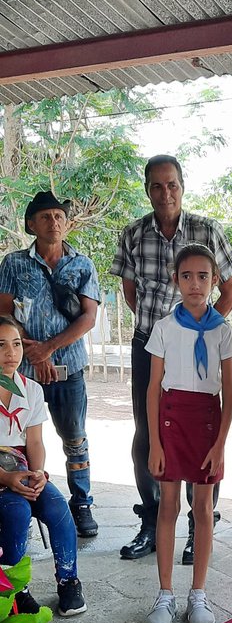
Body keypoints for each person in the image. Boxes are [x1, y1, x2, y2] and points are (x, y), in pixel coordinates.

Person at [111, 156, 232, 562]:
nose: (165, 193)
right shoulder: (133, 233)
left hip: (200, 348)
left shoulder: (207, 230)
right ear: (147, 189)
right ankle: (152, 521)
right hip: (151, 342)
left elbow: (230, 290)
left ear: (182, 187)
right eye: (156, 186)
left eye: (172, 185)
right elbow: (131, 293)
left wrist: (199, 332)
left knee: (202, 430)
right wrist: (167, 335)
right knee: (148, 433)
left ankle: (199, 522)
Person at [144, 245, 232, 623]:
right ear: (175, 281)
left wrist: (220, 444)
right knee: (167, 506)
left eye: (203, 276)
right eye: (187, 276)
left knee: (202, 509)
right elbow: (153, 389)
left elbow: (229, 392)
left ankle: (197, 592)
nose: (195, 284)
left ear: (215, 281)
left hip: (206, 423)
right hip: (170, 423)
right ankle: (165, 593)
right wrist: (154, 442)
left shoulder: (222, 330)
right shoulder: (165, 328)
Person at [0, 191, 100, 538]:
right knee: (22, 438)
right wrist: (32, 350)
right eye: (45, 217)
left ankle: (82, 502)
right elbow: (4, 311)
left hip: (69, 367)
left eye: (58, 216)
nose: (53, 222)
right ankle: (24, 499)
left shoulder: (82, 264)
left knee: (74, 438)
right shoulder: (13, 263)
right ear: (31, 224)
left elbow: (88, 317)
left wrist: (49, 349)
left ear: (66, 222)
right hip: (24, 370)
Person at [0, 315, 87, 617]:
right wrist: (6, 478)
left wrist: (39, 473)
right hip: (2, 475)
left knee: (57, 508)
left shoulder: (32, 390)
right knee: (17, 510)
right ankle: (14, 589)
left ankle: (68, 580)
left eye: (16, 345)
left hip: (23, 469)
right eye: (1, 346)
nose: (10, 353)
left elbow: (34, 441)